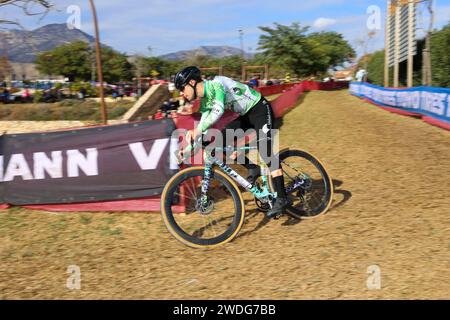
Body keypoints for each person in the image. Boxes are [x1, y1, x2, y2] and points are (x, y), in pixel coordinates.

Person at [174, 66, 290, 218]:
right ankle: (252, 168)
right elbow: (201, 126)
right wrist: (187, 150)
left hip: (260, 109)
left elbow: (218, 110)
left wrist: (197, 131)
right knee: (219, 143)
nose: (182, 93)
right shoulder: (204, 99)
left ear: (192, 82)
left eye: (182, 88)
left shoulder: (216, 84)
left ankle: (282, 199)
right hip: (246, 115)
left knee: (266, 152)